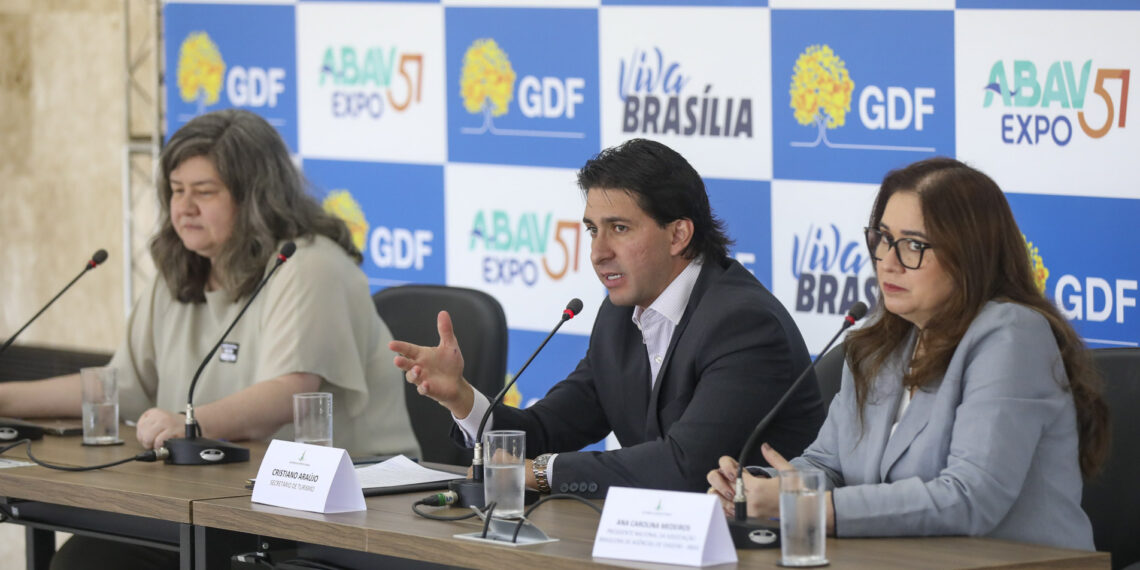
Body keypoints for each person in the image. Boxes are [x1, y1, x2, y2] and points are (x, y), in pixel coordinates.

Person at [0, 109, 420, 567]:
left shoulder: (307, 265)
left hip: (339, 512)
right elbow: (117, 386)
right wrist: (5, 399)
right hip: (220, 498)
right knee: (85, 560)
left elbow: (288, 394)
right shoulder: (182, 268)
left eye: (204, 192)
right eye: (176, 191)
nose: (184, 208)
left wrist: (190, 424)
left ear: (255, 197)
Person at [707, 157, 1109, 550]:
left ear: (970, 253)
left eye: (913, 245)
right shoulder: (878, 345)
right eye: (882, 239)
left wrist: (811, 507)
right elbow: (829, 467)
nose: (888, 262)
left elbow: (970, 498)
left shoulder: (1012, 336)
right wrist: (758, 487)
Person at [391, 138, 824, 498]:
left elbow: (688, 468)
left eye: (619, 228)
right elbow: (547, 429)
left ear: (678, 234)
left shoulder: (743, 324)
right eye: (592, 229)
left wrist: (542, 473)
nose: (598, 252)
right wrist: (463, 398)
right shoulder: (620, 316)